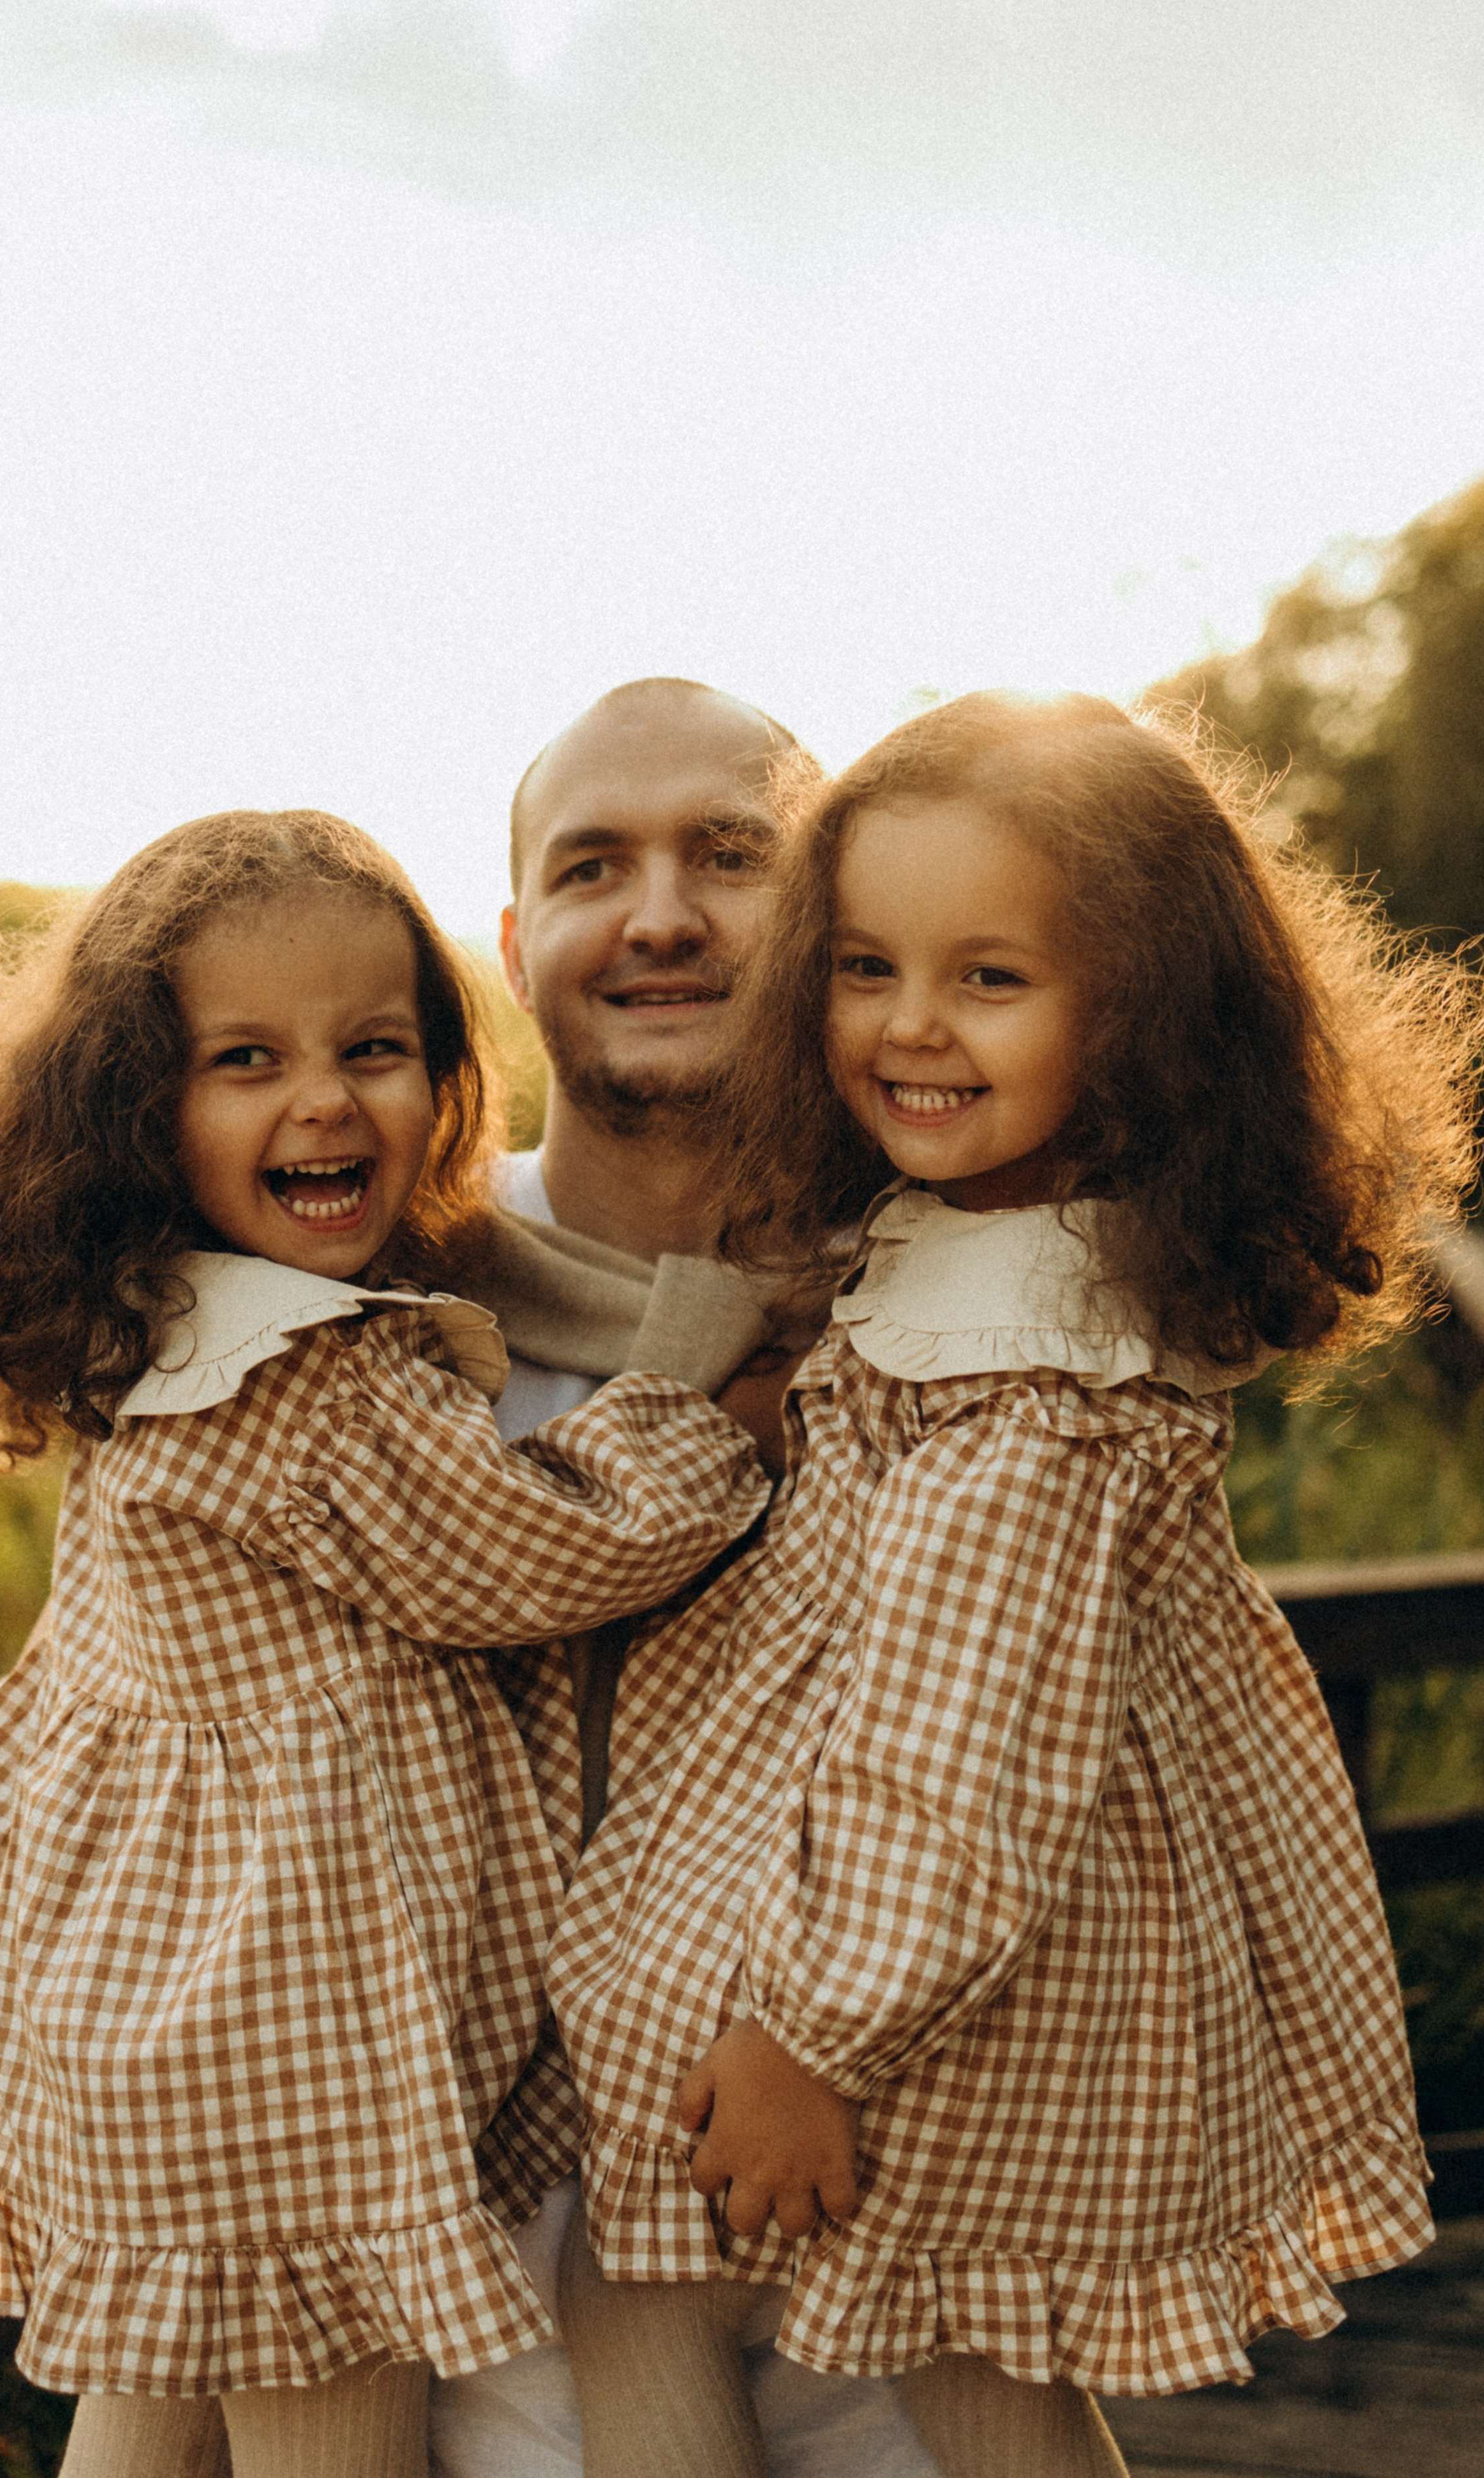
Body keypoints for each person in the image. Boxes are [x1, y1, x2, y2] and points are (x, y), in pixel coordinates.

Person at [543, 695, 1482, 2478]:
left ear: (1139, 1027)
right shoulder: (991, 1268)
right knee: (988, 2366)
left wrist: (809, 2035)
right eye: (867, 966)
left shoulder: (1032, 1401)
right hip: (956, 1962)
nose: (907, 1027)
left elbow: (959, 1781)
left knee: (640, 2283)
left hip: (924, 1979)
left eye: (990, 980)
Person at [0, 811, 771, 2478]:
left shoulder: (166, 1325)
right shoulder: (284, 1374)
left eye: (373, 1047)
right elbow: (545, 1551)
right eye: (241, 1058)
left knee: (156, 2413)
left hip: (166, 2024)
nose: (321, 1098)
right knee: (339, 2430)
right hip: (277, 2050)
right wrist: (690, 1379)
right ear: (134, 1113)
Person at [428, 680, 940, 2478]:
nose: (658, 914)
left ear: (826, 922)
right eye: (593, 866)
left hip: (898, 2316)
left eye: (731, 856)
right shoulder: (371, 1312)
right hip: (459, 2349)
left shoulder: (958, 1305)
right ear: (515, 942)